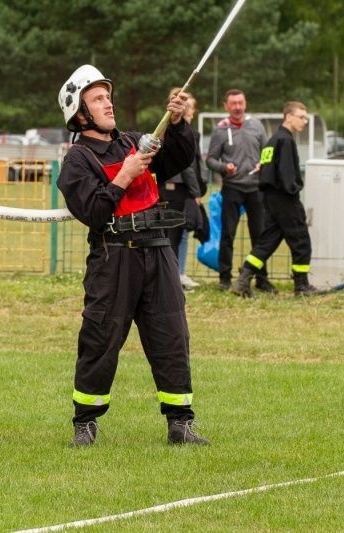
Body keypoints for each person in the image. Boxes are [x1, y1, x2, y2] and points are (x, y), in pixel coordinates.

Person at [56, 65, 209, 446]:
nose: (108, 103)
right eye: (97, 99)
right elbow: (92, 211)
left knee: (171, 336)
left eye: (108, 96)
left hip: (157, 252)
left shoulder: (134, 142)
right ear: (79, 112)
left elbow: (178, 158)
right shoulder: (77, 161)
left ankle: (180, 423)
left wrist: (176, 123)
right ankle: (86, 422)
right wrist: (123, 176)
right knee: (100, 339)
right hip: (113, 258)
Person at [231, 102, 326, 297]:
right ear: (288, 117)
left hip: (270, 197)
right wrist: (293, 190)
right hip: (284, 198)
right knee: (301, 241)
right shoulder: (286, 140)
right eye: (301, 117)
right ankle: (302, 286)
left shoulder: (273, 140)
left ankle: (243, 279)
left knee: (268, 241)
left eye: (305, 118)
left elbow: (265, 167)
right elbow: (286, 173)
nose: (304, 121)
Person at [206, 89, 276, 293]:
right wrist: (223, 168)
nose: (237, 107)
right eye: (233, 103)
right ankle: (224, 278)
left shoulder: (256, 125)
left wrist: (265, 164)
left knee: (260, 236)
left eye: (240, 103)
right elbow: (210, 159)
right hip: (232, 188)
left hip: (255, 189)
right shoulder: (220, 130)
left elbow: (267, 151)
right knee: (228, 235)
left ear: (245, 104)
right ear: (226, 106)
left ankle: (261, 279)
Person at [158, 87, 203, 291]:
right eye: (191, 108)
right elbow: (188, 167)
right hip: (179, 191)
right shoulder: (186, 135)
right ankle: (175, 274)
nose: (192, 112)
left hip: (174, 189)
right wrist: (195, 193)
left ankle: (175, 273)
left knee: (176, 233)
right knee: (175, 234)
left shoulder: (171, 131)